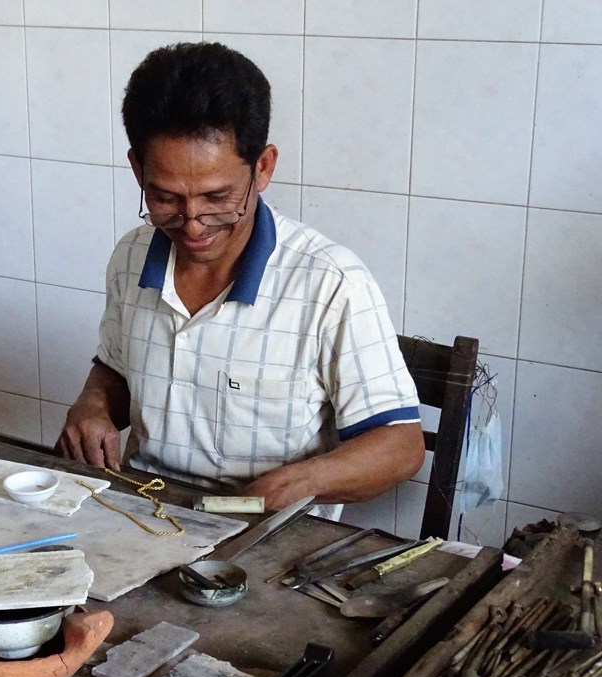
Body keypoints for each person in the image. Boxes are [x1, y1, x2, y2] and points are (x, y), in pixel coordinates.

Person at [55, 41, 426, 518]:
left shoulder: (329, 283)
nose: (192, 223)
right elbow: (116, 369)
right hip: (143, 513)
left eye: (218, 197)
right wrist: (92, 406)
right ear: (137, 169)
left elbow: (401, 445)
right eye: (165, 197)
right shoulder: (132, 256)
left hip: (266, 537)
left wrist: (298, 483)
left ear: (263, 167)